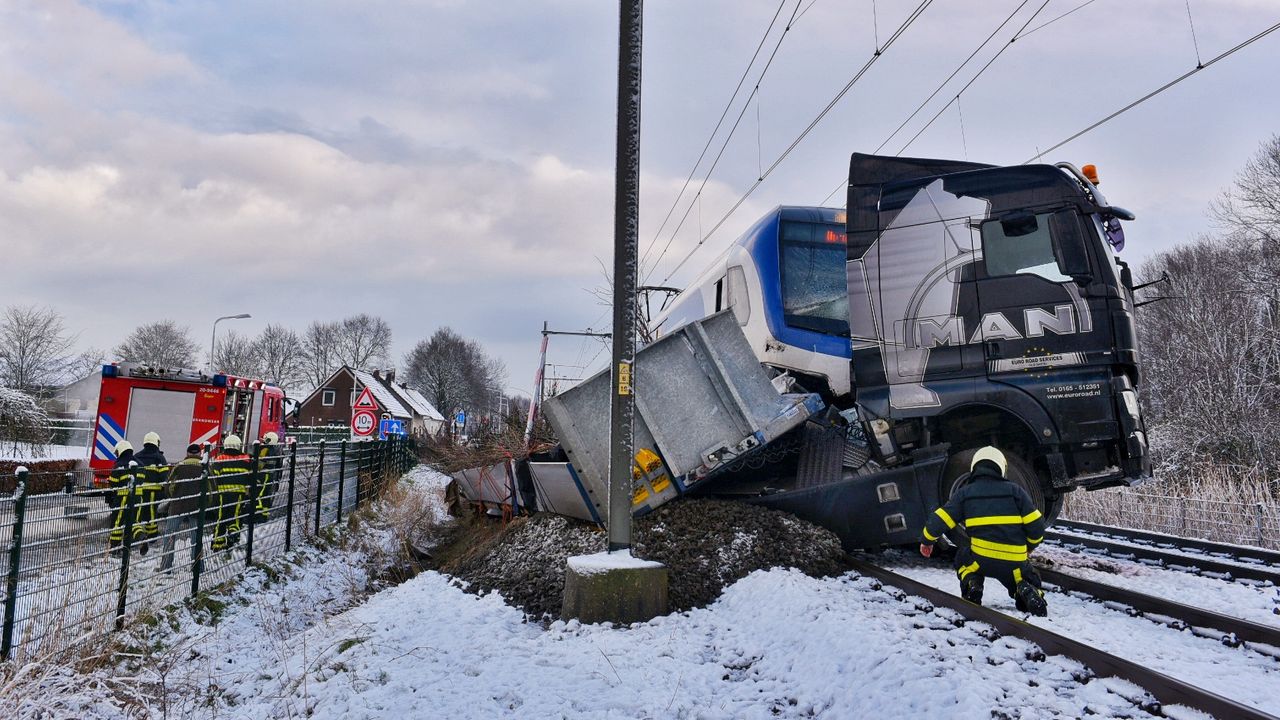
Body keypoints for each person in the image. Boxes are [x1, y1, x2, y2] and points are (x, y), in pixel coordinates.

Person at [920, 446, 1049, 616]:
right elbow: (1037, 528)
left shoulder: (964, 493)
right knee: (1027, 577)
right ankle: (1026, 589)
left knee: (962, 559)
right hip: (1014, 563)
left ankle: (972, 584)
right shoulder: (1016, 491)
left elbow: (940, 519)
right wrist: (1029, 547)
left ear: (975, 467)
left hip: (981, 560)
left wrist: (927, 541)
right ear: (1001, 468)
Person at [158, 443, 206, 573]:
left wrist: (174, 497)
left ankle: (166, 567)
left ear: (187, 453)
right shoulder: (204, 467)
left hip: (177, 507)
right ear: (200, 454)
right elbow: (211, 488)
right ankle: (197, 567)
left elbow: (168, 486)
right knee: (196, 537)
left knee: (170, 536)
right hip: (196, 507)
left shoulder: (179, 466)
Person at [210, 435, 251, 551]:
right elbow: (251, 475)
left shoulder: (220, 458)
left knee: (221, 518)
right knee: (235, 515)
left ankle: (218, 545)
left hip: (223, 494)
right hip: (239, 494)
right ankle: (233, 534)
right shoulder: (245, 459)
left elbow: (213, 476)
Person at [108, 441, 147, 553]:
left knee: (117, 524)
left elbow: (113, 483)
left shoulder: (119, 465)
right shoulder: (140, 464)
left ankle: (115, 549)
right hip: (139, 498)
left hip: (122, 498)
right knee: (134, 522)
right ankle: (140, 536)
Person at [132, 431, 170, 546]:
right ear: (157, 442)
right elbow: (165, 476)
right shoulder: (159, 458)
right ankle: (152, 537)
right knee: (151, 514)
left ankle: (136, 535)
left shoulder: (137, 456)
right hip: (154, 493)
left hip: (138, 491)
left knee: (137, 514)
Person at [254, 432, 283, 522]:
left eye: (265, 439)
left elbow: (259, 465)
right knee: (266, 495)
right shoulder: (277, 450)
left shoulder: (265, 450)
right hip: (271, 475)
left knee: (259, 494)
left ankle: (257, 516)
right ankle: (264, 516)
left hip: (263, 475)